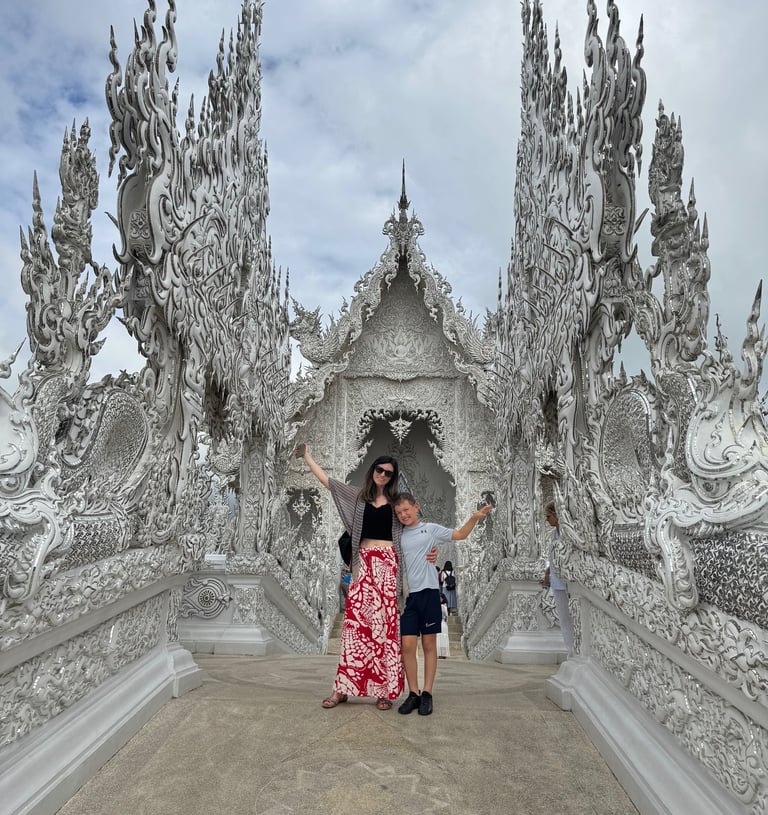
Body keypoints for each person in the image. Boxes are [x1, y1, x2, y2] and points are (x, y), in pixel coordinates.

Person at [296, 443, 404, 709]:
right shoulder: (358, 498)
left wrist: (432, 549)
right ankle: (342, 689)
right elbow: (328, 483)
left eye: (388, 472)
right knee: (355, 629)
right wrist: (308, 456)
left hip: (388, 568)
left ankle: (383, 691)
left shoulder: (397, 502)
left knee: (383, 630)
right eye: (379, 469)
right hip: (364, 565)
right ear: (372, 471)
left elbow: (415, 525)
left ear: (393, 477)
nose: (382, 474)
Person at [393, 493, 493, 715]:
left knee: (429, 646)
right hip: (410, 597)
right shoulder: (397, 533)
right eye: (399, 513)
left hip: (429, 593)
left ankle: (427, 693)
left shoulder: (431, 529)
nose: (403, 515)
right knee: (407, 645)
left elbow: (459, 534)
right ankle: (413, 693)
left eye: (406, 510)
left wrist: (474, 518)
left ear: (416, 507)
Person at [542, 501, 575, 657]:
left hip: (571, 580)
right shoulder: (554, 534)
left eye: (548, 516)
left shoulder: (568, 533)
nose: (546, 520)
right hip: (557, 581)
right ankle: (570, 651)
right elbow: (553, 557)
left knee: (576, 618)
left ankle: (576, 651)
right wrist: (548, 573)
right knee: (564, 618)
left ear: (556, 515)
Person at [436, 594, 450, 659]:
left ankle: (443, 654)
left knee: (443, 639)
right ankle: (439, 653)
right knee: (439, 639)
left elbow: (446, 617)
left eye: (440, 598)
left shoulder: (444, 607)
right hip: (439, 623)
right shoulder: (436, 606)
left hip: (443, 623)